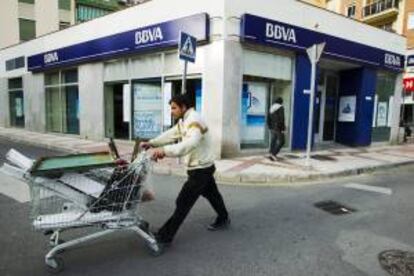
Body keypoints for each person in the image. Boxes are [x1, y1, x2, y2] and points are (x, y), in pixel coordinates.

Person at [140, 94, 230, 250]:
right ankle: (224, 218)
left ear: (183, 107)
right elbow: (172, 134)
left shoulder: (194, 121)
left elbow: (191, 143)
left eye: (174, 107)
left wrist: (165, 151)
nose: (171, 111)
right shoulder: (184, 121)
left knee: (183, 202)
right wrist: (152, 143)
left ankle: (165, 237)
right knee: (213, 195)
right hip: (203, 167)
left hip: (200, 170)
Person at [267, 97, 286, 161]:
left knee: (273, 140)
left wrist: (269, 126)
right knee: (282, 141)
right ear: (281, 102)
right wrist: (283, 129)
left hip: (272, 128)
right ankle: (274, 154)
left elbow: (268, 118)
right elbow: (282, 119)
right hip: (278, 128)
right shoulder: (280, 107)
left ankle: (270, 153)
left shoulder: (272, 108)